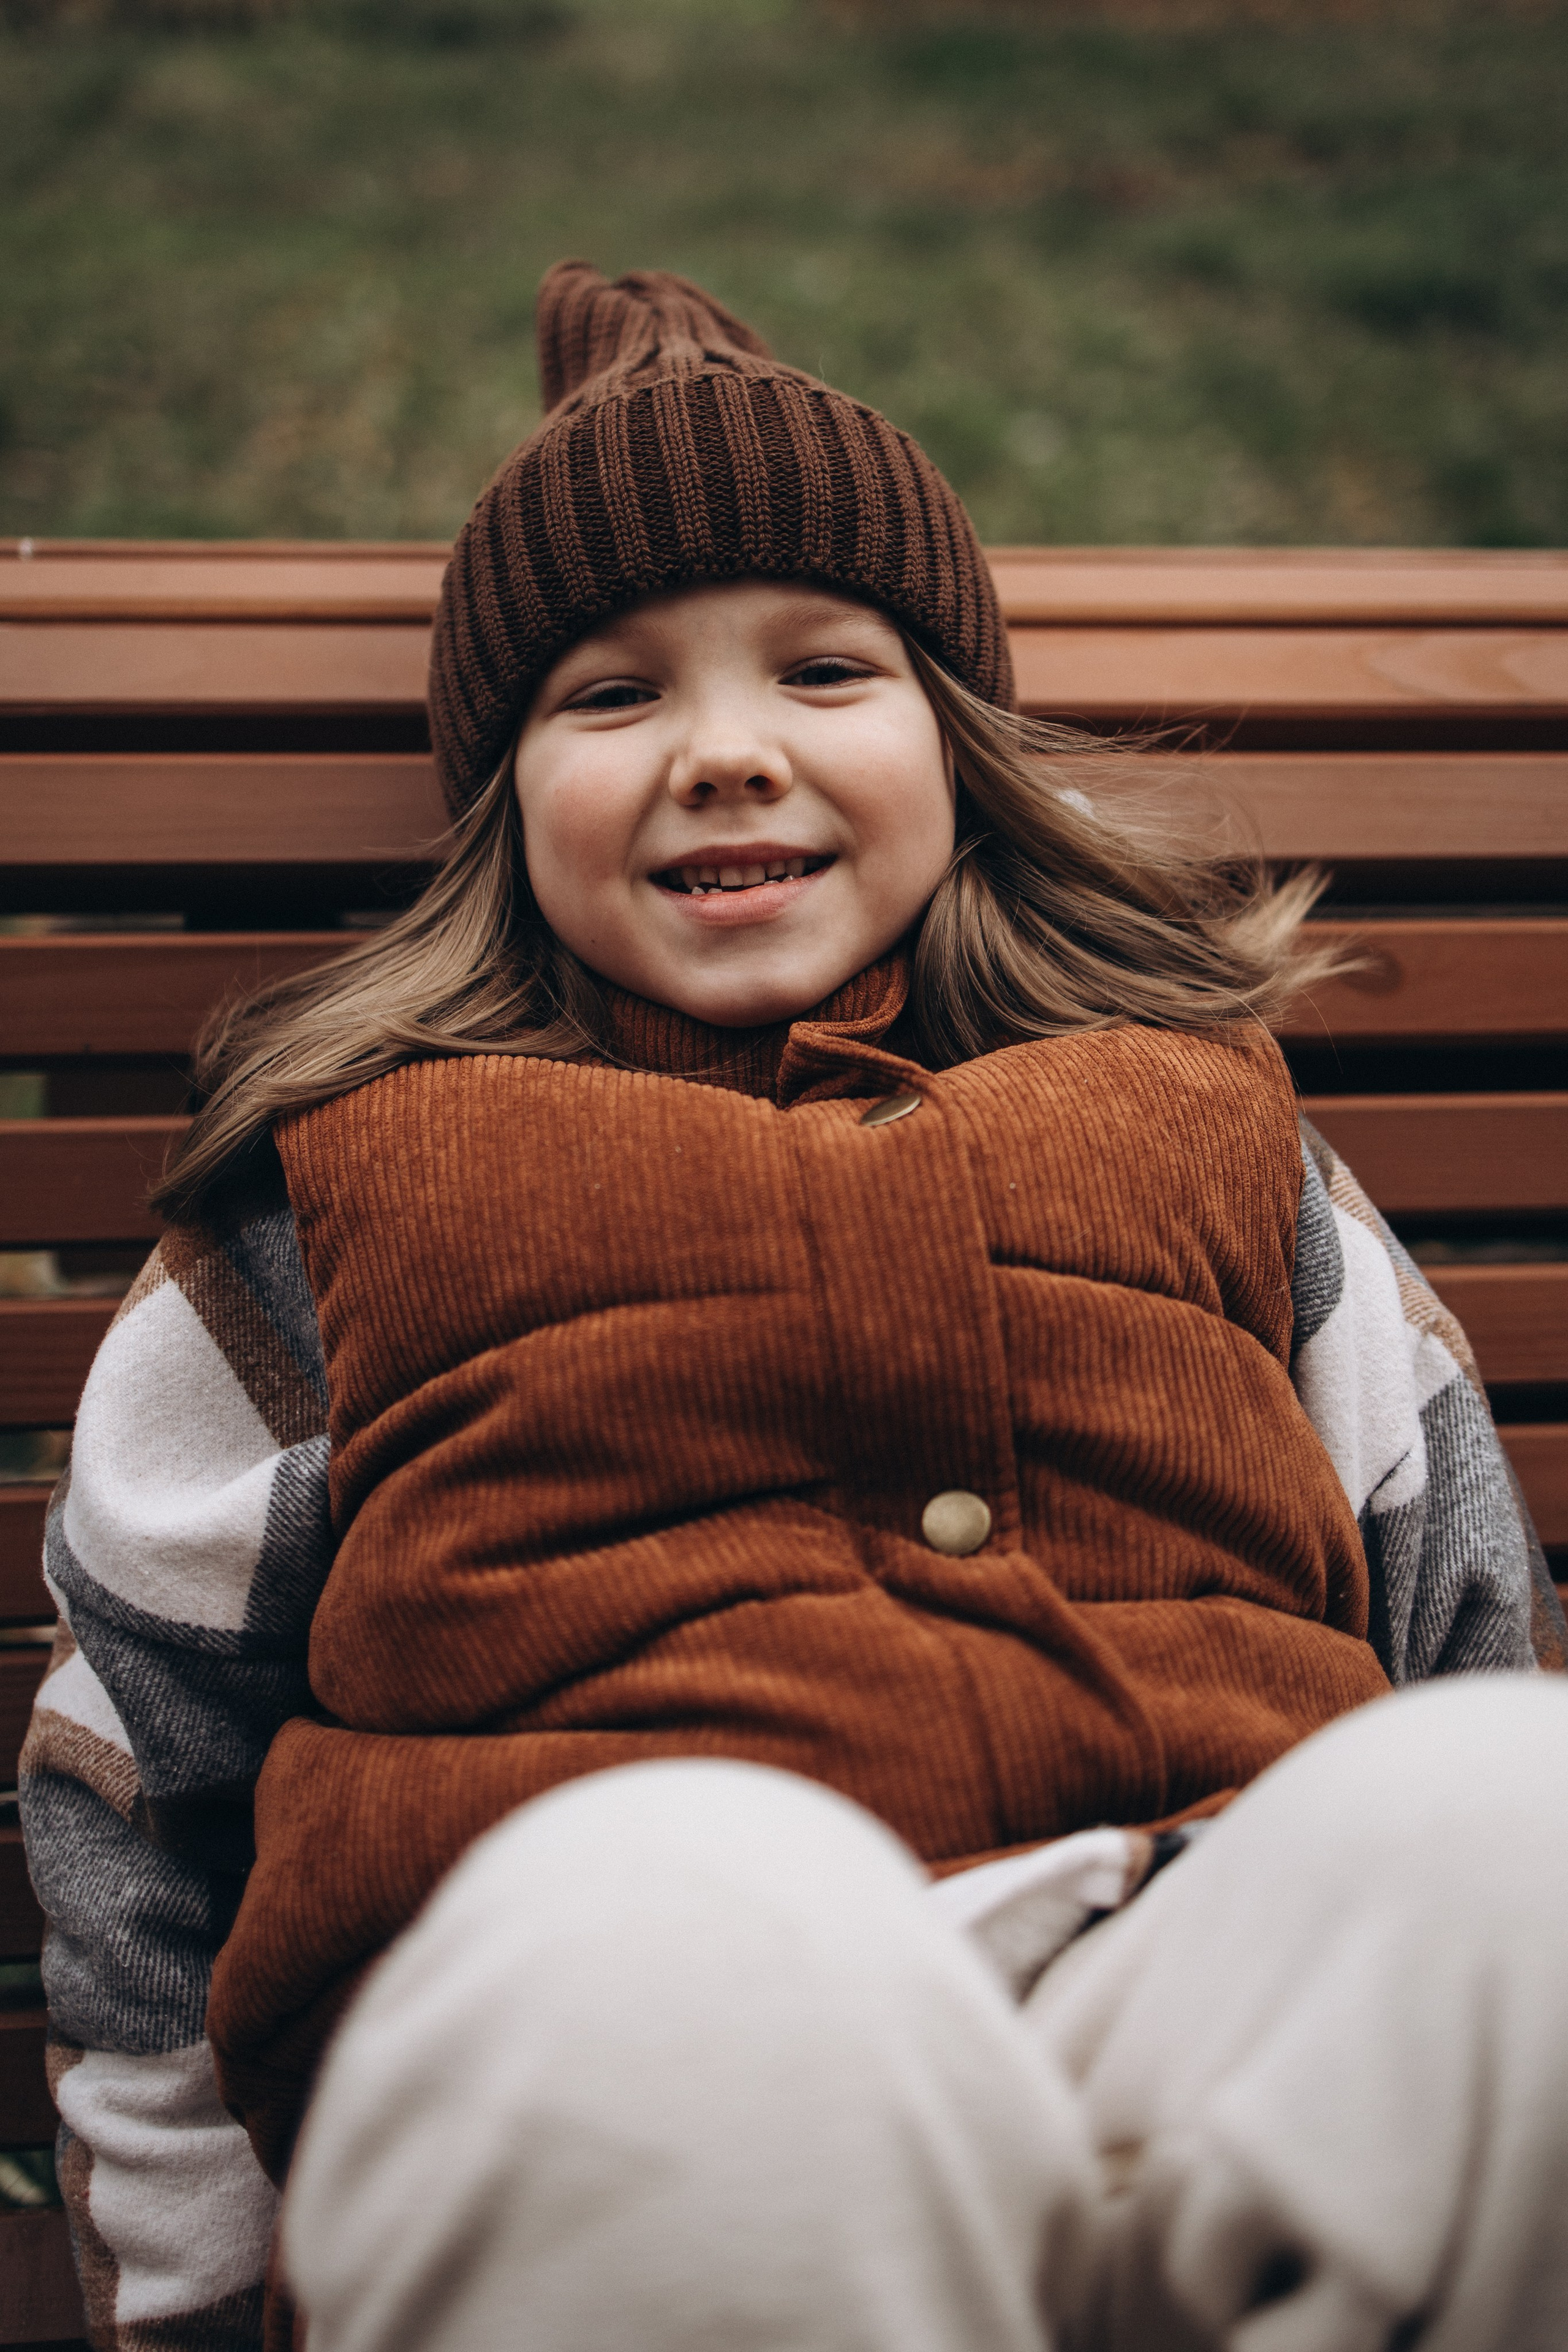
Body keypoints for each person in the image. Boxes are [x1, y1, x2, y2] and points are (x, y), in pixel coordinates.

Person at [19, 261, 1566, 2352]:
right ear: (499, 802)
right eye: (613, 693)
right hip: (617, 2111)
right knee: (679, 1911)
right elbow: (143, 1776)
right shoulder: (346, 1191)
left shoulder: (1201, 1123)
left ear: (956, 740)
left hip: (1170, 2038)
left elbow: (1442, 1604)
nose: (728, 753)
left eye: (827, 671)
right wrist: (191, 2300)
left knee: (1507, 1821)